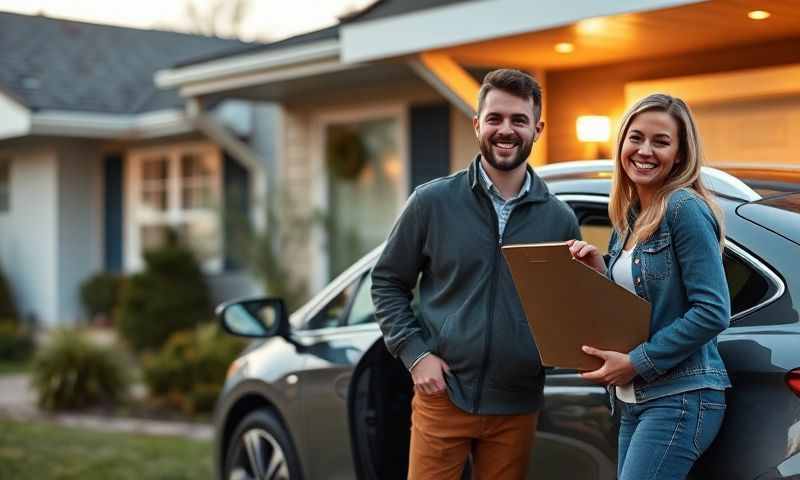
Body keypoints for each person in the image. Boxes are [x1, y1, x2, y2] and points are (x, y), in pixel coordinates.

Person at [371, 69, 581, 480]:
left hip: (517, 405)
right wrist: (416, 357)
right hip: (443, 396)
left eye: (519, 120)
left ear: (537, 129)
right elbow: (386, 282)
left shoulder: (560, 220)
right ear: (477, 124)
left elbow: (568, 313)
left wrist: (542, 361)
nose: (506, 130)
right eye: (495, 118)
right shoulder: (432, 202)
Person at [568, 93, 731, 479]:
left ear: (679, 154)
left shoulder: (683, 208)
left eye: (661, 141)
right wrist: (599, 269)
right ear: (622, 143)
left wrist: (636, 363)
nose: (645, 150)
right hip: (636, 398)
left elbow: (712, 311)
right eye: (636, 138)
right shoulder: (630, 220)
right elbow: (641, 302)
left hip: (679, 398)